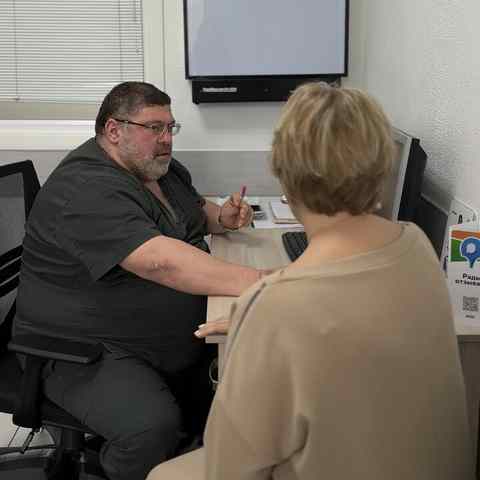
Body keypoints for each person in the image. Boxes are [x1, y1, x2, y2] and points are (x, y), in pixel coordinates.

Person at [147, 83, 474, 479]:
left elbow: (228, 469)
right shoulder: (417, 244)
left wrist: (259, 324)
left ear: (283, 173)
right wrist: (265, 322)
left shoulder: (275, 307)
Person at [13, 81, 267, 480]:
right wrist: (269, 281)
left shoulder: (158, 170)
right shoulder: (86, 187)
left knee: (245, 386)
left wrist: (224, 217)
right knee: (151, 427)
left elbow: (193, 211)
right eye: (154, 128)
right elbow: (160, 263)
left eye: (170, 127)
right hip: (80, 347)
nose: (166, 138)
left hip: (147, 336)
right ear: (114, 130)